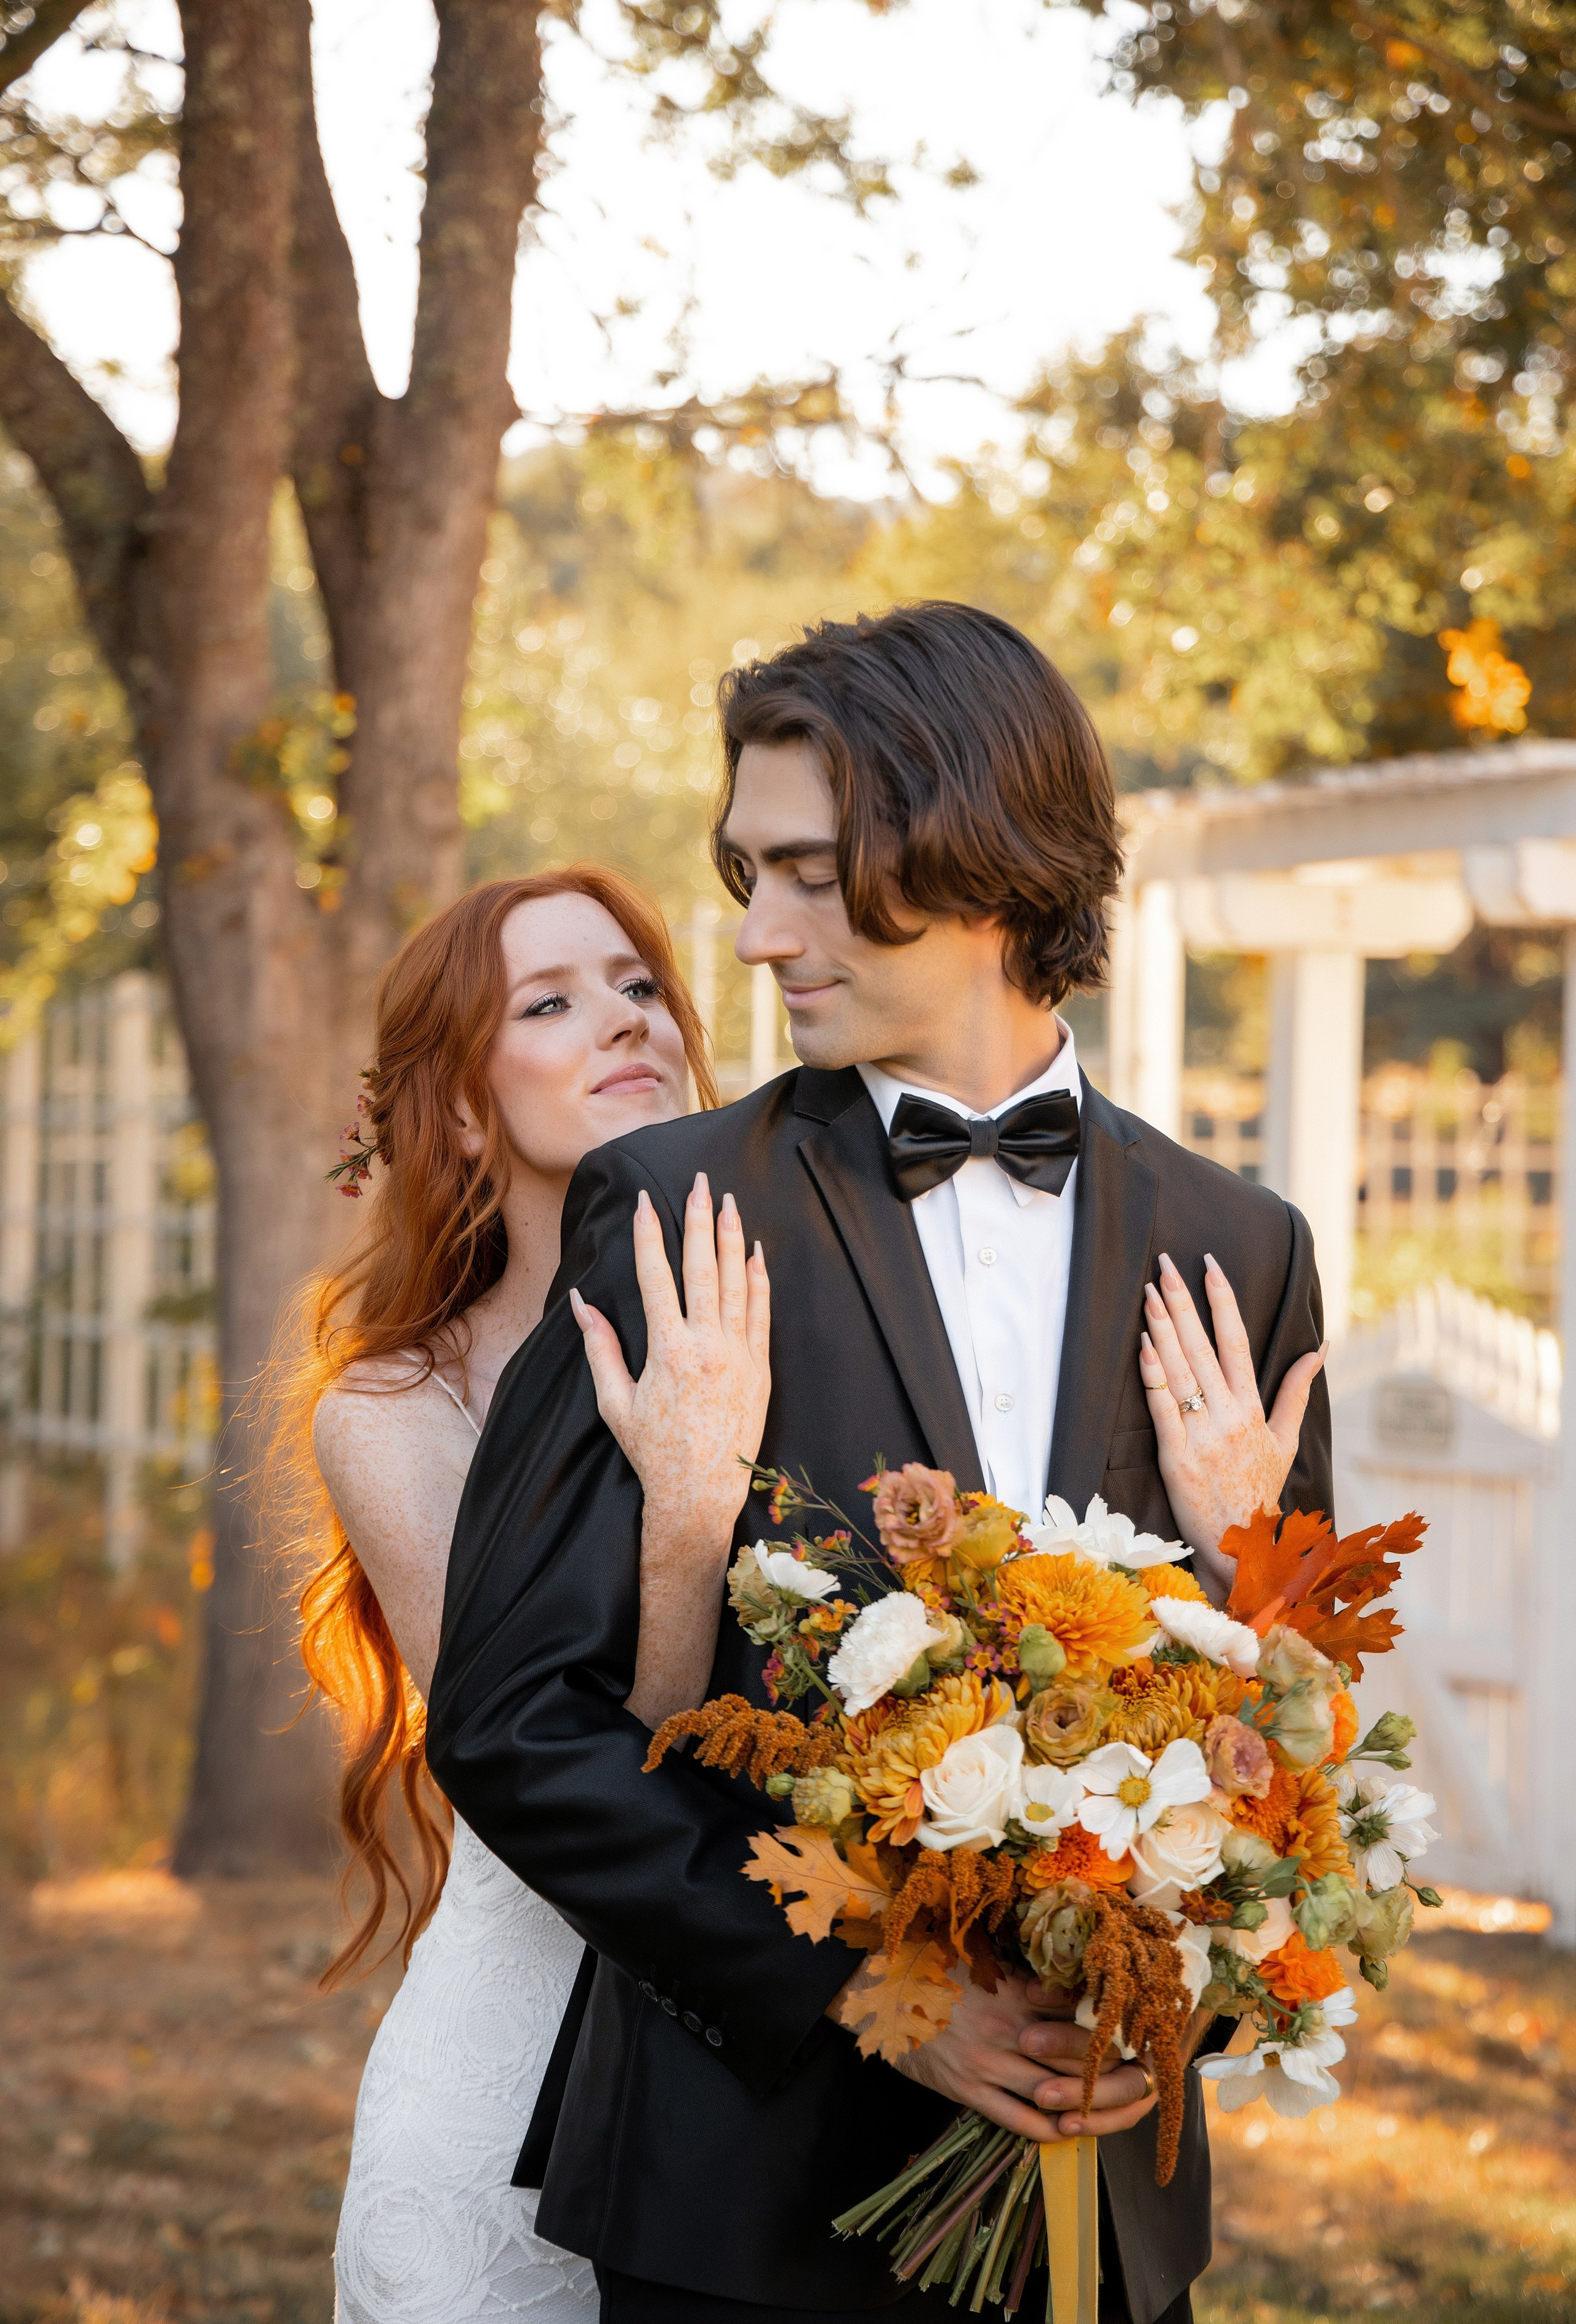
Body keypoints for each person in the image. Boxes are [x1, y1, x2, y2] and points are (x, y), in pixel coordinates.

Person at [427, 602, 1333, 2324]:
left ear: (970, 848)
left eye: (806, 873)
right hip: (741, 2198)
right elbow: (512, 1717)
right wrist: (867, 1995)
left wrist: (1172, 1983)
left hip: (1102, 2205)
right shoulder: (674, 1206)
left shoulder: (1240, 1243)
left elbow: (1300, 1719)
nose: (752, 936)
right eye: (745, 872)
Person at [286, 869, 771, 2324]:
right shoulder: (396, 1410)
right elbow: (546, 1779)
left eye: (637, 986)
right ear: (457, 1107)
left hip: (768, 2071)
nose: (623, 1021)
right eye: (549, 1004)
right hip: (512, 2093)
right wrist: (686, 1511)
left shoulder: (774, 1315)